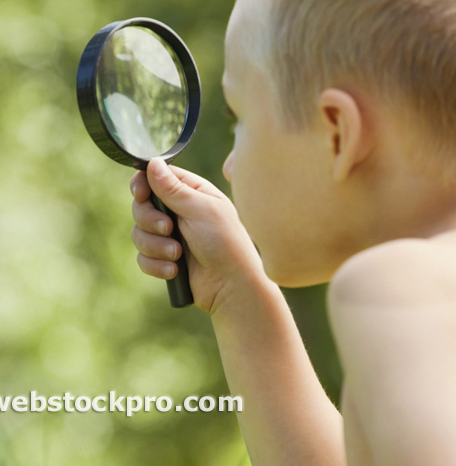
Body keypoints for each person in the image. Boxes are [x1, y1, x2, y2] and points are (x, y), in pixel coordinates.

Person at [129, 0, 456, 464]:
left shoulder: (395, 287)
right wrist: (235, 293)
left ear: (337, 133)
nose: (228, 165)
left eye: (238, 119)